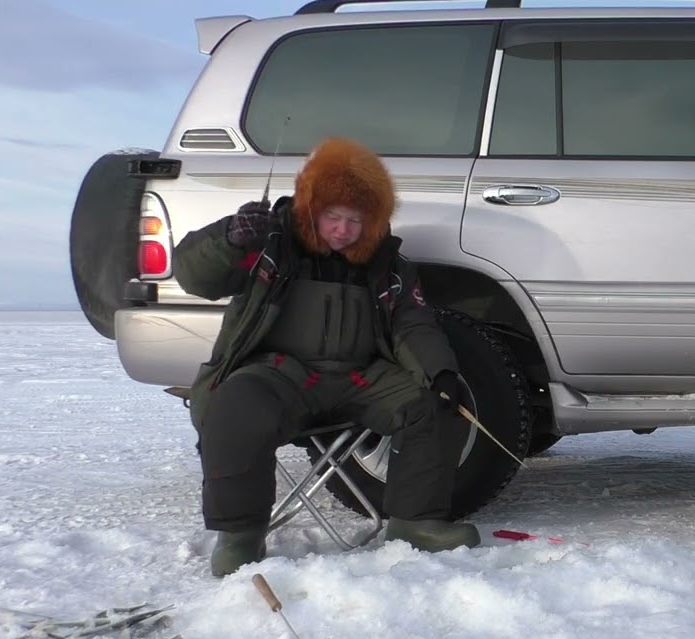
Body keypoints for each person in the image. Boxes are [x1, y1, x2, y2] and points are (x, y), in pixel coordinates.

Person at [174, 136, 479, 577]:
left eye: (355, 220)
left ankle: (415, 524)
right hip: (278, 374)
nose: (342, 230)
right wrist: (231, 238)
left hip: (361, 378)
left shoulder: (389, 265)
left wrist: (440, 373)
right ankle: (240, 536)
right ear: (311, 208)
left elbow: (413, 325)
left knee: (436, 403)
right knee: (235, 407)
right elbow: (195, 276)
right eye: (332, 216)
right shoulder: (269, 242)